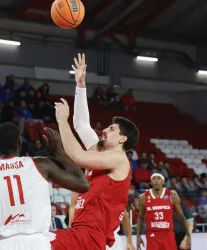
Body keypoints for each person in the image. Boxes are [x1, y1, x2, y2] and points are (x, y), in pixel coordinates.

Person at [50, 53, 139, 250]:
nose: (105, 130)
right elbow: (81, 125)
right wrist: (80, 84)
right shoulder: (99, 151)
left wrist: (62, 121)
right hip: (85, 234)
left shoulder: (118, 159)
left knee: (38, 243)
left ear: (122, 139)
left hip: (97, 236)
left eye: (112, 129)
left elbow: (77, 156)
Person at [136, 173, 191, 250]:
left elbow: (181, 217)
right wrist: (138, 236)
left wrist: (188, 235)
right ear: (151, 182)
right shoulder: (143, 197)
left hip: (168, 233)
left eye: (159, 179)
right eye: (154, 179)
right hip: (152, 234)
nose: (156, 181)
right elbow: (140, 218)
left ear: (163, 182)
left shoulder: (172, 195)